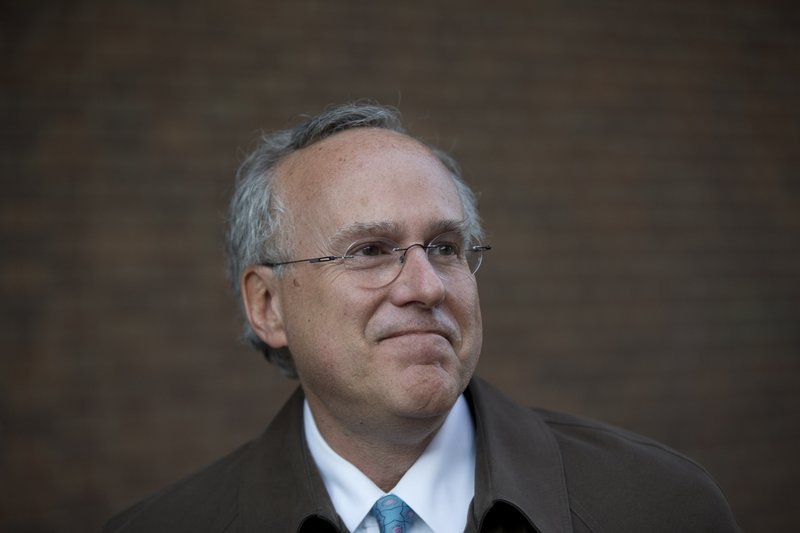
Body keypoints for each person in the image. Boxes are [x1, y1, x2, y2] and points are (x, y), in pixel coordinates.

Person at [103, 102, 741, 532]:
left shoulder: (658, 504)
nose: (425, 286)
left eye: (444, 247)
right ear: (268, 305)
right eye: (370, 251)